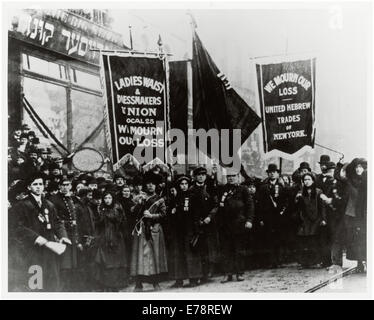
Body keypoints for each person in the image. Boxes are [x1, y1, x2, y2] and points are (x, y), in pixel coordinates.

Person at [9, 173, 67, 291]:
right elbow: (17, 227)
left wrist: (63, 236)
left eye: (40, 184)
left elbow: (57, 222)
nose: (38, 187)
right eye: (35, 184)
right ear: (29, 187)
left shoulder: (49, 205)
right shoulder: (21, 205)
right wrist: (35, 237)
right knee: (35, 283)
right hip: (32, 250)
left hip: (50, 250)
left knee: (51, 283)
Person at [130, 172, 168, 292]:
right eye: (148, 184)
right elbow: (133, 212)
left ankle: (155, 282)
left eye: (153, 184)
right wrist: (139, 204)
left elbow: (164, 215)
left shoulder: (159, 200)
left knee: (154, 256)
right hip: (141, 230)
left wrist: (152, 215)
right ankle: (138, 283)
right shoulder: (140, 198)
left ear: (156, 186)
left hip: (154, 229)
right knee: (140, 257)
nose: (150, 186)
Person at [218, 170, 254, 283]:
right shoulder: (222, 189)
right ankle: (227, 274)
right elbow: (219, 206)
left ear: (238, 177)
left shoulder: (243, 190)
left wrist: (249, 220)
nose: (231, 178)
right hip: (226, 225)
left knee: (239, 250)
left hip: (239, 224)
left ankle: (239, 273)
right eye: (229, 176)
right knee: (226, 251)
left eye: (233, 176)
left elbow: (250, 206)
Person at [49, 178, 82, 291]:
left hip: (72, 233)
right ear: (59, 186)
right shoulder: (53, 199)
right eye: (63, 185)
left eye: (67, 185)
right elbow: (55, 219)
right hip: (62, 233)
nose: (65, 187)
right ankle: (63, 288)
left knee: (73, 261)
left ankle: (71, 286)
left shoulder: (72, 199)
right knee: (64, 261)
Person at [189, 166, 219, 284]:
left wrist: (209, 217)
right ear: (195, 176)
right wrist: (196, 221)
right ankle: (200, 274)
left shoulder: (211, 188)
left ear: (205, 176)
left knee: (209, 248)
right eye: (198, 175)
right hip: (197, 224)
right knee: (198, 249)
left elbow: (216, 205)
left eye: (203, 175)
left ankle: (208, 273)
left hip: (209, 224)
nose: (201, 177)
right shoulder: (191, 190)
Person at [93, 191, 128, 291]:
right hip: (104, 238)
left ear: (112, 199)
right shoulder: (101, 209)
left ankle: (115, 286)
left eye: (109, 198)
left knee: (116, 263)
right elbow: (98, 223)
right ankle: (106, 285)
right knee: (105, 262)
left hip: (116, 237)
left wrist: (105, 213)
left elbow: (119, 220)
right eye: (105, 198)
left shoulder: (117, 208)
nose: (107, 200)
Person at [339, 158, 367, 272]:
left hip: (364, 212)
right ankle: (360, 263)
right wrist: (342, 165)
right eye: (356, 167)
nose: (358, 169)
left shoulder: (367, 180)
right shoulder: (351, 181)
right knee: (356, 239)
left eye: (360, 167)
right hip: (353, 213)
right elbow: (340, 176)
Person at [257, 164, 287, 268]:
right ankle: (271, 261)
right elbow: (260, 203)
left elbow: (286, 202)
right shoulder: (263, 187)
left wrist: (282, 212)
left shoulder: (282, 186)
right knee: (269, 239)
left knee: (279, 238)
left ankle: (279, 260)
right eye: (270, 172)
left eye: (274, 172)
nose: (272, 174)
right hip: (267, 216)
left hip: (279, 216)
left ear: (278, 174)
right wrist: (261, 218)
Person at [295, 173, 326, 268]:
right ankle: (305, 262)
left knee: (314, 241)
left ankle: (316, 261)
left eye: (309, 179)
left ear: (313, 180)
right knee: (305, 241)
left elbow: (322, 207)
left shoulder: (318, 192)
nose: (307, 182)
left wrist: (323, 219)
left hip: (316, 219)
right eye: (305, 180)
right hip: (305, 220)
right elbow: (297, 207)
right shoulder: (300, 192)